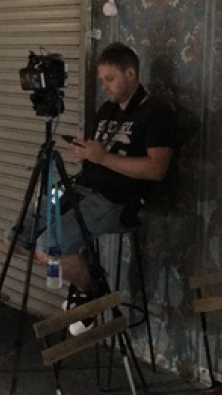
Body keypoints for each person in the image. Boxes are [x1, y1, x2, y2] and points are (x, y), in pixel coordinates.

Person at [9, 42, 175, 298]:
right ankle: (87, 272)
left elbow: (157, 169)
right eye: (102, 80)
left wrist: (103, 157)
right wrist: (85, 152)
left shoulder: (155, 112)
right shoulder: (106, 110)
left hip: (117, 199)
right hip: (81, 188)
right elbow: (98, 154)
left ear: (130, 74)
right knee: (16, 236)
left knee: (49, 246)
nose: (104, 86)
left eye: (110, 79)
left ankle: (92, 292)